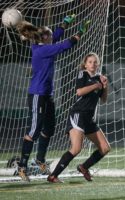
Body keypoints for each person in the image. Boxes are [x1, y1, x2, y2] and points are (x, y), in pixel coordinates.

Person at [16, 15, 90, 181]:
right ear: (44, 38)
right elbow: (66, 44)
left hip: (46, 95)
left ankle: (40, 160)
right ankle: (22, 166)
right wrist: (80, 32)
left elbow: (56, 35)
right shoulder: (43, 50)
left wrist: (64, 24)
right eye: (50, 36)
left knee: (49, 128)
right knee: (34, 130)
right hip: (37, 94)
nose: (53, 37)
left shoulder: (42, 44)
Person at [47, 53, 110, 183]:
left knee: (105, 148)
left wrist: (105, 86)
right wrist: (95, 86)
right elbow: (79, 92)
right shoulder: (83, 74)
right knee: (76, 148)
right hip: (78, 114)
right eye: (90, 62)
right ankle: (53, 176)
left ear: (98, 64)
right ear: (85, 64)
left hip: (89, 118)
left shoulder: (99, 78)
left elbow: (103, 100)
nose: (93, 64)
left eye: (95, 62)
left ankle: (84, 167)